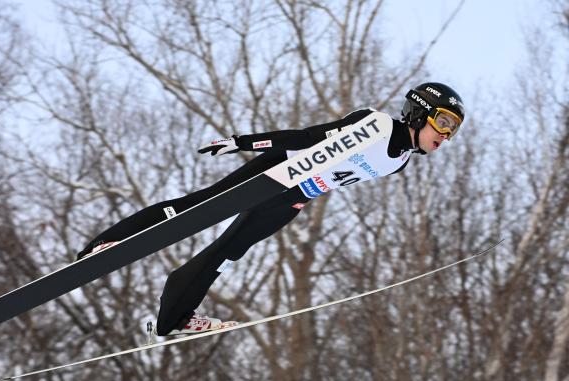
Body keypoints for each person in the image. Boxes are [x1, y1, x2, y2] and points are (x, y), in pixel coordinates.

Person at [77, 82, 465, 336]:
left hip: (295, 197)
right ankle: (107, 243)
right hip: (279, 171)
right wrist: (243, 142)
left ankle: (173, 317)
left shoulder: (399, 161)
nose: (446, 135)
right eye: (444, 122)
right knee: (196, 208)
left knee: (228, 252)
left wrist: (297, 196)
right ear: (419, 111)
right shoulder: (377, 125)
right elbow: (307, 137)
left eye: (454, 129)